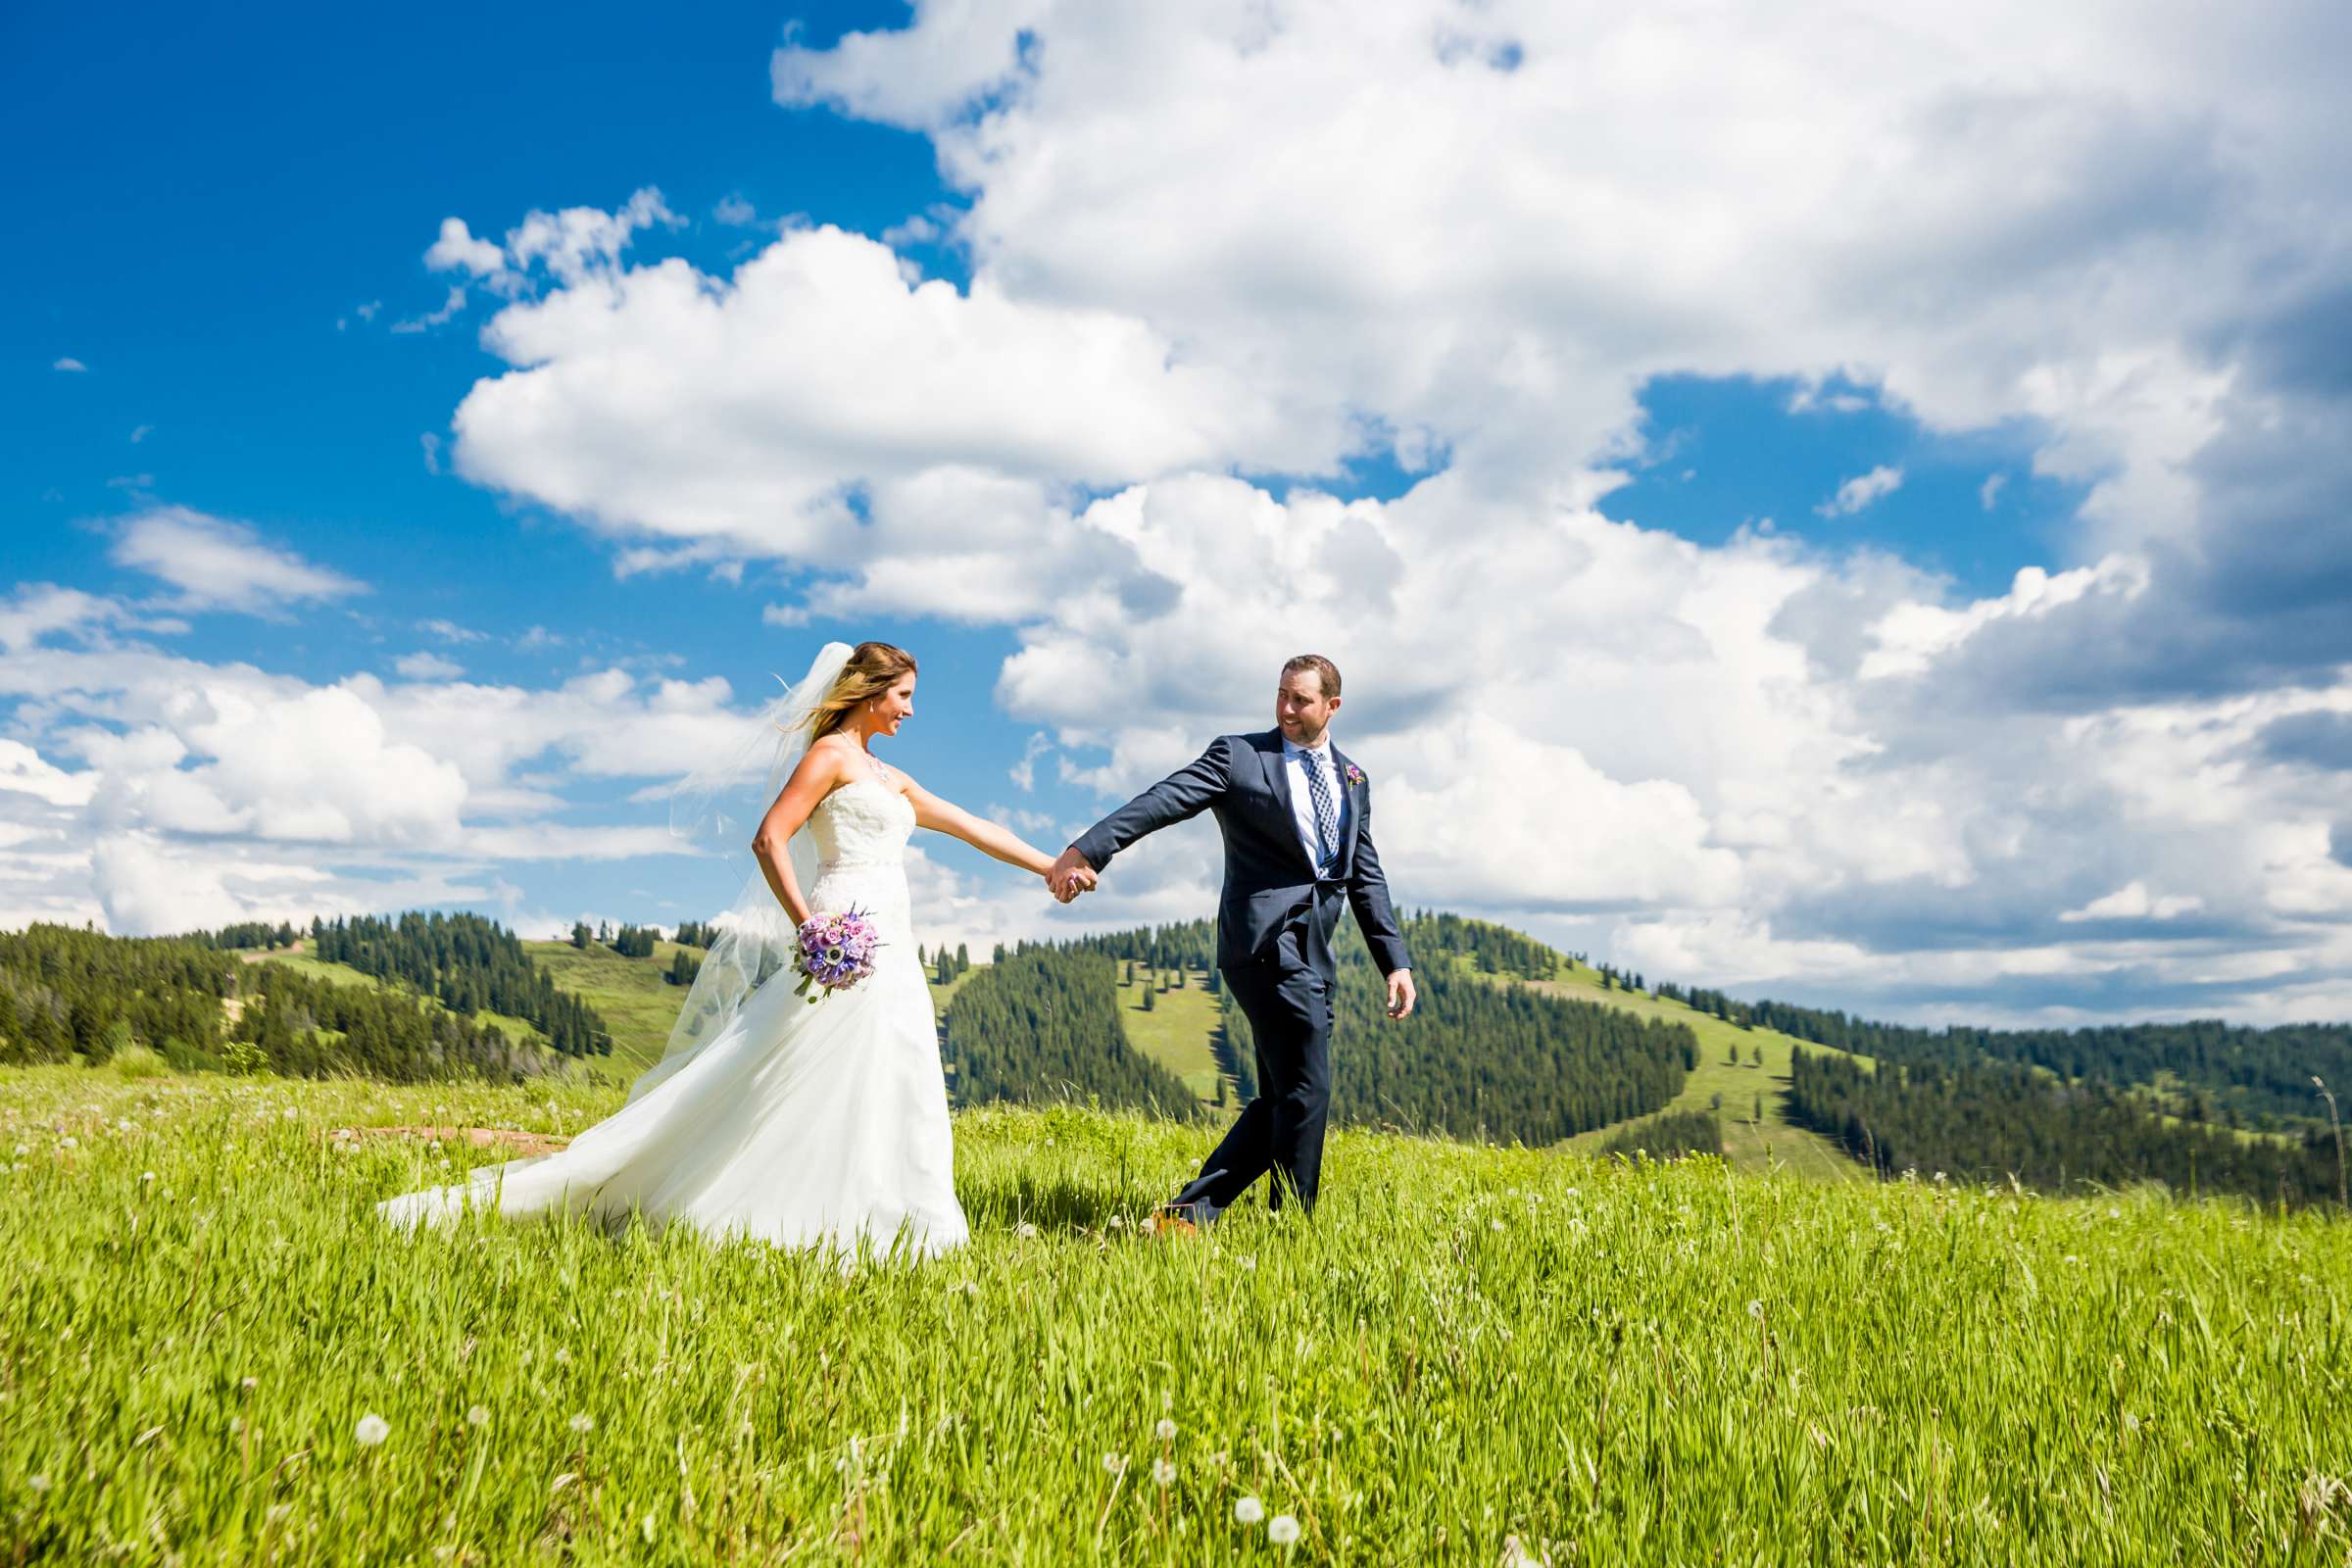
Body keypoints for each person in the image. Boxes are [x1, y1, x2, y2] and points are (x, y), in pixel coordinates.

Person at [378, 641, 1067, 1261]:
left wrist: (1051, 866)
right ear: (867, 691)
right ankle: (749, 1202)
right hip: (841, 927)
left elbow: (973, 826)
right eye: (904, 696)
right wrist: (811, 928)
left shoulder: (890, 778)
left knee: (893, 1064)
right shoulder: (828, 758)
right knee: (788, 1062)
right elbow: (770, 839)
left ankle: (892, 1214)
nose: (910, 712)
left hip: (892, 935)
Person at [1048, 654, 1413, 1229]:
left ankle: (1184, 1217)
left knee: (1284, 1096)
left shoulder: (1354, 779)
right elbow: (1161, 800)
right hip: (1262, 941)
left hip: (1317, 948)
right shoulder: (1239, 756)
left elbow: (1363, 872)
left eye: (1302, 700)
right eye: (1281, 695)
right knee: (1308, 1087)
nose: (1286, 709)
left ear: (1332, 707)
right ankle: (1291, 1226)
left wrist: (1394, 962)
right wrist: (1090, 849)